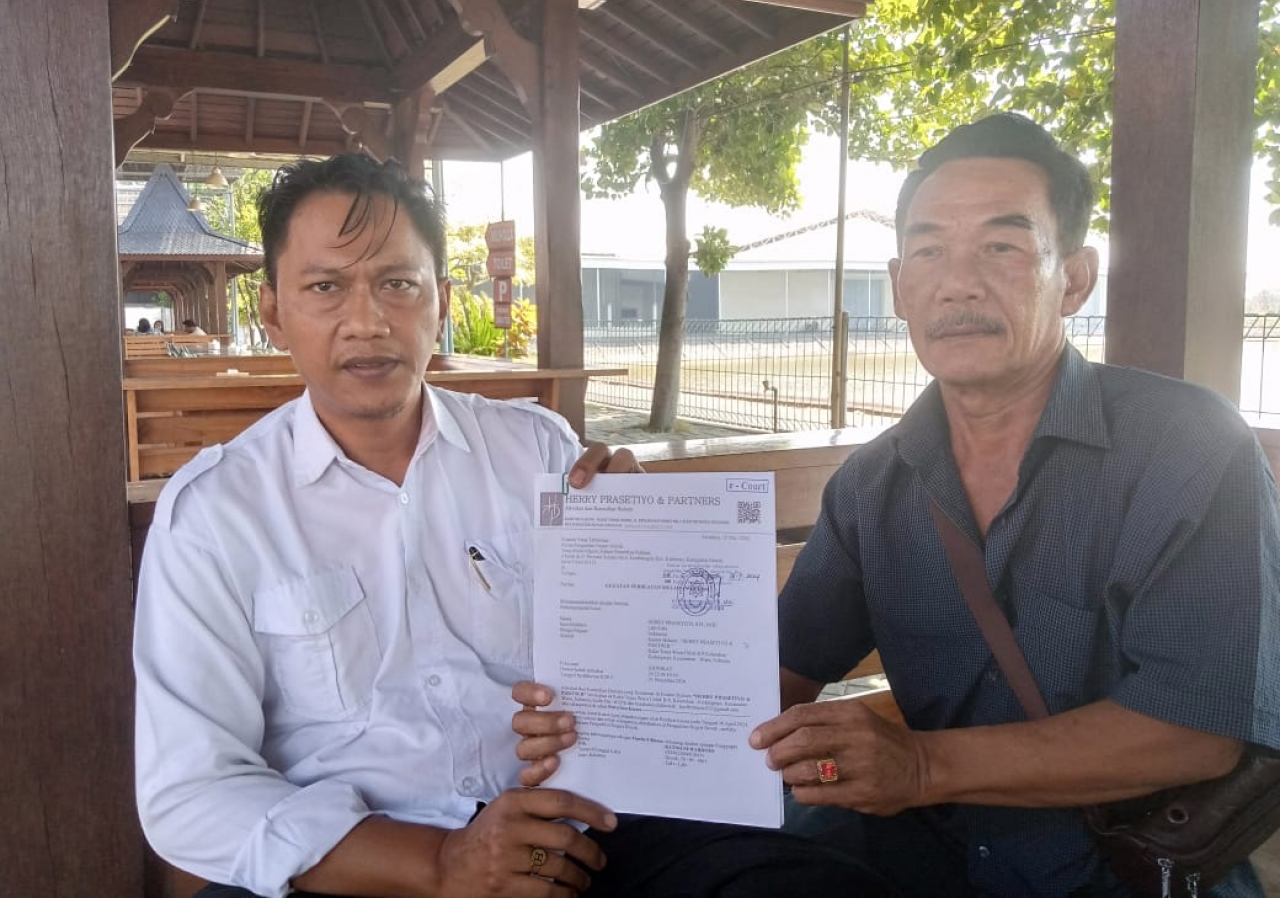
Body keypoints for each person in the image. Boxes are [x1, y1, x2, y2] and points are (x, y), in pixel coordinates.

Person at [518, 113, 1280, 897]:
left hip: (1132, 870)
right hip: (930, 861)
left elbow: (1197, 730)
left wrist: (920, 766)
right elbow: (769, 682)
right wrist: (607, 685)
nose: (958, 282)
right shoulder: (873, 486)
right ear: (900, 287)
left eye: (1002, 246)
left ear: (1075, 280)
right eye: (928, 250)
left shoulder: (1185, 447)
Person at [134, 153, 881, 898]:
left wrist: (648, 559)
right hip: (367, 866)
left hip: (582, 830)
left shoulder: (538, 453)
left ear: (440, 300)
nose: (367, 321)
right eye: (326, 287)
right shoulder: (217, 513)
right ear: (273, 313)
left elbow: (632, 670)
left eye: (398, 284)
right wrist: (439, 863)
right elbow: (190, 792)